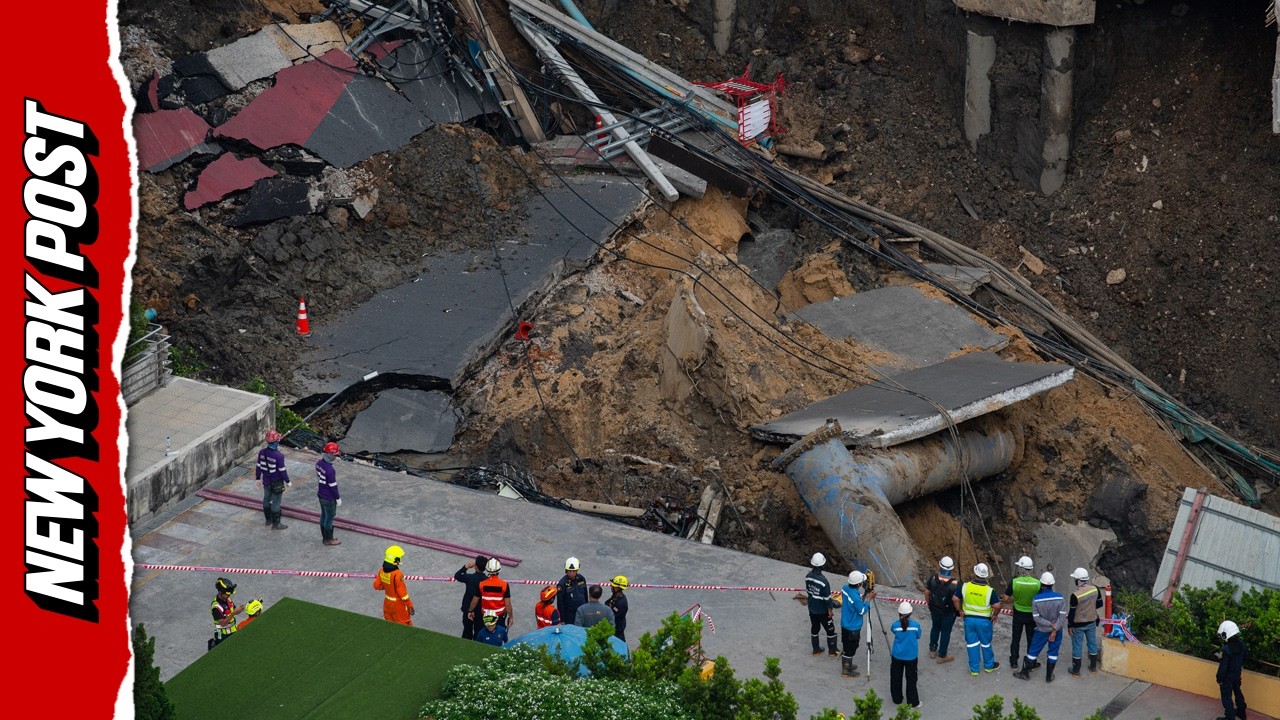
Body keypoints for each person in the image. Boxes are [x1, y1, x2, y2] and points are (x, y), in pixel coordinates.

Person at [1014, 571, 1065, 682]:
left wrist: (1049, 624)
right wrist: (1055, 628)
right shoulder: (1060, 598)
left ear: (1042, 584)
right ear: (1052, 584)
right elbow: (1062, 616)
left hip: (1042, 630)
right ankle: (1048, 676)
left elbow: (1036, 618)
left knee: (1033, 651)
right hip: (1057, 630)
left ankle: (1025, 673)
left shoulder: (1036, 599)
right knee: (1053, 653)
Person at [954, 562, 1002, 675]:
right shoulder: (989, 591)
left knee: (972, 644)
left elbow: (955, 598)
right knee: (986, 643)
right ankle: (989, 666)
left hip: (969, 620)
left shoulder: (965, 586)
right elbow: (997, 606)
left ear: (975, 573)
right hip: (984, 621)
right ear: (986, 576)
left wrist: (960, 610)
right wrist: (995, 615)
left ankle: (974, 669)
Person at [1002, 555, 1040, 667]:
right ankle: (1030, 662)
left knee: (1016, 638)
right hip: (1031, 614)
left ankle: (1014, 662)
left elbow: (1005, 598)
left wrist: (1014, 598)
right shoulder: (1037, 583)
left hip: (1018, 613)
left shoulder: (1015, 582)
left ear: (1021, 568)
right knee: (1031, 639)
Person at [1066, 566, 1103, 676]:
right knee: (1092, 642)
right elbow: (1100, 604)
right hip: (1091, 621)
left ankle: (1076, 669)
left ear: (1078, 580)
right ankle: (1093, 667)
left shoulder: (1075, 595)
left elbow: (1072, 613)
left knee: (1077, 645)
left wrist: (1069, 625)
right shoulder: (1095, 589)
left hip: (1078, 624)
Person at [839, 570, 875, 677]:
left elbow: (856, 601)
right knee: (851, 648)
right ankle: (846, 670)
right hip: (853, 627)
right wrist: (868, 600)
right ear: (859, 584)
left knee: (846, 646)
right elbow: (862, 611)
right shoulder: (855, 597)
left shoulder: (845, 588)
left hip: (845, 624)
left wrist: (864, 596)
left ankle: (847, 664)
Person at [924, 555, 959, 664]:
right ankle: (942, 655)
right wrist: (959, 610)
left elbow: (926, 592)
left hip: (935, 609)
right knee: (945, 632)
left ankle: (932, 650)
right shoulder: (956, 583)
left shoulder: (933, 578)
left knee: (935, 627)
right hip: (948, 612)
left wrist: (929, 603)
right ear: (951, 568)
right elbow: (956, 599)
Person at [804, 552, 839, 658]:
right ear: (822, 565)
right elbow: (827, 598)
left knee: (815, 628)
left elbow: (808, 591)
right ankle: (832, 651)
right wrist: (830, 610)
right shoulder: (824, 581)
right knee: (830, 629)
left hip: (812, 608)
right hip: (822, 610)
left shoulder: (807, 577)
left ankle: (816, 649)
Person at [890, 602, 923, 709]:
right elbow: (918, 635)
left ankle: (897, 699)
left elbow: (894, 632)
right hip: (911, 656)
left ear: (899, 613)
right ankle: (913, 702)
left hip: (897, 655)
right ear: (911, 613)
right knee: (911, 679)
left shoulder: (895, 625)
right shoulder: (915, 626)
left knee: (896, 677)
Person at [256, 429, 290, 530]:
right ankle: (276, 524)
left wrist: (258, 478)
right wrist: (288, 481)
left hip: (266, 481)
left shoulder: (262, 453)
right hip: (277, 482)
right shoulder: (279, 456)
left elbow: (258, 466)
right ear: (276, 442)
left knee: (266, 499)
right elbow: (282, 471)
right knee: (276, 502)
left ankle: (268, 520)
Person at [374, 545, 415, 626]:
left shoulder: (381, 571)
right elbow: (403, 594)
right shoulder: (397, 574)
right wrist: (410, 606)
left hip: (387, 604)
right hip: (398, 606)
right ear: (395, 559)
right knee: (405, 626)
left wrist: (388, 586)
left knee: (390, 627)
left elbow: (376, 586)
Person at [1215, 620, 1248, 720]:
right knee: (1238, 692)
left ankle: (1229, 717)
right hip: (1237, 674)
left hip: (1227, 678)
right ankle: (1242, 712)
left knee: (1227, 697)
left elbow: (1223, 667)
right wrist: (1240, 669)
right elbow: (1245, 658)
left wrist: (1219, 679)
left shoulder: (1226, 649)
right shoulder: (1241, 644)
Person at [469, 558, 514, 629]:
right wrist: (511, 617)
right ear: (499, 570)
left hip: (485, 616)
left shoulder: (481, 584)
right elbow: (507, 605)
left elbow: (475, 601)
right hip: (499, 616)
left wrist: (470, 611)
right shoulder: (504, 585)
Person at [454, 555, 490, 639]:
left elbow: (457, 575)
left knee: (467, 630)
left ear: (475, 566)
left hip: (468, 608)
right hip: (481, 610)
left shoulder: (470, 578)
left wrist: (466, 567)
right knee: (479, 630)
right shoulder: (487, 580)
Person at [315, 441, 342, 546]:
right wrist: (338, 498)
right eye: (335, 455)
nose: (336, 457)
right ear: (330, 455)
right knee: (329, 518)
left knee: (324, 515)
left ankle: (324, 538)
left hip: (321, 494)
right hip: (329, 497)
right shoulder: (330, 470)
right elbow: (333, 486)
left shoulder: (319, 464)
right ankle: (329, 539)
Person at [209, 577, 244, 650]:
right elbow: (222, 623)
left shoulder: (228, 599)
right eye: (228, 594)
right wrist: (234, 613)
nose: (229, 595)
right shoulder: (216, 607)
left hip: (233, 632)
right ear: (221, 592)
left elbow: (233, 610)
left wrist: (241, 609)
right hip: (222, 636)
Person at [557, 557, 588, 627]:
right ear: (566, 571)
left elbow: (585, 595)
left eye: (573, 571)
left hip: (581, 613)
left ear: (577, 570)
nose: (571, 573)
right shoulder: (562, 584)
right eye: (569, 571)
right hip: (569, 616)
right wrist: (562, 620)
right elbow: (560, 603)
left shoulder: (581, 579)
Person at [605, 575, 629, 642]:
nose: (611, 586)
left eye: (613, 585)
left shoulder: (621, 603)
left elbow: (612, 615)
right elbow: (607, 603)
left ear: (618, 588)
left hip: (617, 629)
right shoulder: (616, 596)